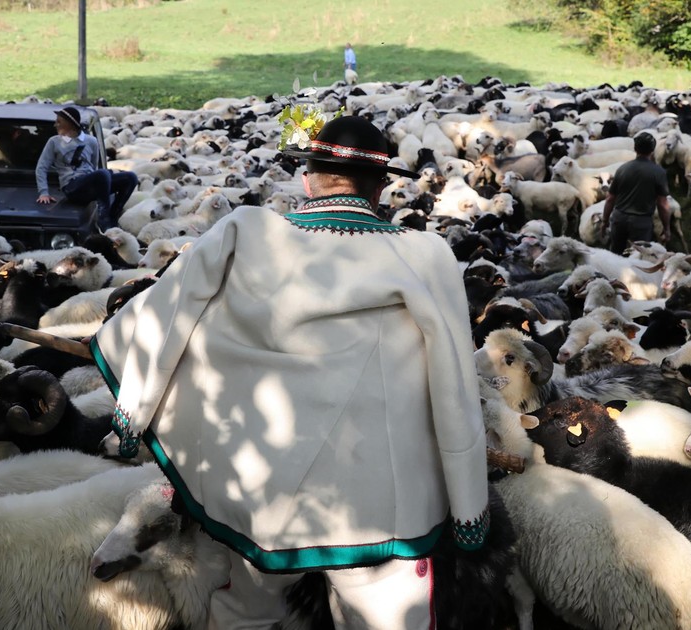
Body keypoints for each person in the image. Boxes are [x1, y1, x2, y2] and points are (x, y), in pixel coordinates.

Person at [87, 116, 490, 629]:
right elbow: (454, 378)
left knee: (244, 608)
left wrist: (134, 411)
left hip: (260, 488)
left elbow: (166, 318)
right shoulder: (423, 253)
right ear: (383, 184)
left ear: (307, 177)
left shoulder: (247, 231)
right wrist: (468, 502)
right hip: (377, 499)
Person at [35, 105, 138, 231]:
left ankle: (113, 216)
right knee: (102, 174)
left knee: (130, 177)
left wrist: (99, 180)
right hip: (72, 187)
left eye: (58, 122)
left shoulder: (91, 141)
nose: (55, 125)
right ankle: (102, 220)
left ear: (70, 124)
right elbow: (41, 167)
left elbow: (93, 165)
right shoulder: (54, 142)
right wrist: (43, 192)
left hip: (90, 185)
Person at [599, 132, 671, 254]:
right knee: (640, 256)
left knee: (616, 254)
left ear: (635, 149)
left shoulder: (622, 169)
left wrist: (605, 221)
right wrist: (666, 228)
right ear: (652, 150)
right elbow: (662, 204)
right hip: (641, 222)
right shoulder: (658, 172)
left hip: (619, 219)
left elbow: (610, 198)